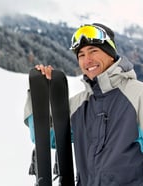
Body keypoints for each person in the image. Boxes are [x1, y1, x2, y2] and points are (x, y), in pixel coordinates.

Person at [24, 23, 143, 185]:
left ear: (111, 54)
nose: (87, 60)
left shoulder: (137, 96)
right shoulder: (79, 104)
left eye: (94, 51)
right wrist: (41, 96)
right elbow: (46, 136)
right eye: (81, 55)